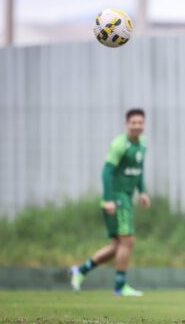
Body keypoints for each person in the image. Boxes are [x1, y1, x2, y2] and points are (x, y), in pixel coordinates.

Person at [71, 108, 151, 296]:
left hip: (127, 198)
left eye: (140, 122)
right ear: (127, 124)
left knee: (118, 245)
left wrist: (143, 192)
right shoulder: (119, 145)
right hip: (117, 198)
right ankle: (120, 286)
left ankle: (80, 271)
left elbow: (138, 169)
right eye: (134, 123)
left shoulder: (143, 144)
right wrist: (108, 199)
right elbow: (106, 171)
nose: (137, 126)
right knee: (128, 240)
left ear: (144, 124)